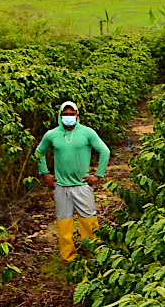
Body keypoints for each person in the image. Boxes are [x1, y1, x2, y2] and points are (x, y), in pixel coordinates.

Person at [34, 101, 111, 262]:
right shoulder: (52, 134)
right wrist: (45, 173)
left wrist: (97, 175)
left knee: (89, 221)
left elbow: (104, 151)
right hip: (60, 186)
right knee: (64, 223)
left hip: (82, 186)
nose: (68, 117)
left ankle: (93, 254)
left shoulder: (87, 133)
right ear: (60, 116)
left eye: (71, 114)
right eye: (65, 114)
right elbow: (39, 152)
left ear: (77, 115)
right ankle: (69, 257)